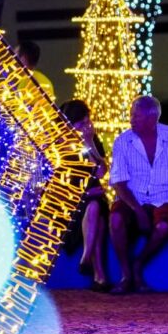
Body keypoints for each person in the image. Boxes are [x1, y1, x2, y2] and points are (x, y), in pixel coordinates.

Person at [109, 96, 168, 293]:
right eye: (131, 115)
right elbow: (118, 183)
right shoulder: (123, 141)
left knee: (163, 226)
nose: (131, 120)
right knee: (116, 219)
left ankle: (138, 264)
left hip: (164, 197)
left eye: (136, 116)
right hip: (132, 197)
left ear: (152, 119)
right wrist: (138, 210)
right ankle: (126, 274)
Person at [60, 100, 111, 292]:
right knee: (96, 216)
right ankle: (99, 275)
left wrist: (89, 144)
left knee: (95, 207)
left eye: (87, 121)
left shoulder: (91, 140)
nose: (86, 126)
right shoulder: (58, 145)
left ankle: (87, 258)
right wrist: (84, 194)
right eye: (81, 123)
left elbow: (101, 172)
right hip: (69, 201)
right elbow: (57, 183)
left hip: (93, 199)